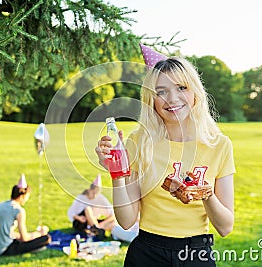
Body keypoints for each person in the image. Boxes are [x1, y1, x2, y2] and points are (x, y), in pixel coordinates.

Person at [95, 44, 235, 266]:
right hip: (147, 253)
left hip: (196, 253)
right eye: (161, 91)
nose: (172, 98)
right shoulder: (139, 142)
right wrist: (116, 172)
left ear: (195, 93)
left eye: (181, 88)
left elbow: (226, 227)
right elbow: (126, 220)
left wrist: (205, 194)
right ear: (152, 99)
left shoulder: (219, 145)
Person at [0, 174, 51, 256]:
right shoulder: (19, 210)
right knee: (47, 238)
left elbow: (9, 231)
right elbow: (25, 238)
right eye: (27, 197)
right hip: (4, 249)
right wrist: (40, 233)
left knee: (22, 238)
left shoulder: (2, 205)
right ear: (22, 196)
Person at [67, 174, 116, 239]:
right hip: (82, 223)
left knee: (114, 222)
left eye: (96, 193)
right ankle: (96, 230)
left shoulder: (100, 198)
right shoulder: (81, 197)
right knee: (88, 208)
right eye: (93, 193)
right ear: (89, 190)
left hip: (95, 222)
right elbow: (71, 212)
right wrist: (79, 218)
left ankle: (96, 230)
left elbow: (112, 213)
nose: (94, 196)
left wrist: (102, 224)